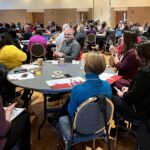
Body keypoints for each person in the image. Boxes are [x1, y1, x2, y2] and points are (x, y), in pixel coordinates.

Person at [111, 41, 150, 121]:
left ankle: (119, 125)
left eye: (137, 55)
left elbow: (132, 97)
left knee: (110, 96)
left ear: (143, 56)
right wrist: (129, 90)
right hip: (143, 107)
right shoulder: (145, 71)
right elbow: (142, 91)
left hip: (138, 111)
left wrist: (122, 94)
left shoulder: (144, 73)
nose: (136, 57)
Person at [68, 51, 112, 119]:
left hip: (80, 126)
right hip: (100, 124)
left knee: (61, 118)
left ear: (85, 67)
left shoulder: (77, 89)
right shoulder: (107, 86)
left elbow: (71, 112)